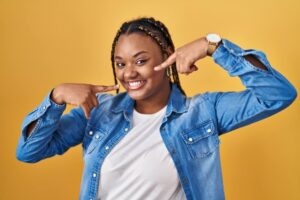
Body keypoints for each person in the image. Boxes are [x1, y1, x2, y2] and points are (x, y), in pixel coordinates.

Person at [16, 17, 297, 200]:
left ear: (166, 59)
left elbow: (277, 95)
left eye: (140, 61)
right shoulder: (99, 112)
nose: (129, 73)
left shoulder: (202, 113)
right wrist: (56, 98)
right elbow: (28, 152)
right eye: (120, 63)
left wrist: (214, 46)